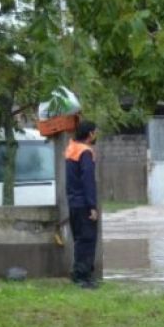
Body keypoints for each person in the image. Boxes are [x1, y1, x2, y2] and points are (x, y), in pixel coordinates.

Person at [66, 120, 100, 289]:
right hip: (84, 204)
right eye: (95, 132)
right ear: (90, 134)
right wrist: (92, 206)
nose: (96, 135)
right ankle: (83, 278)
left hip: (73, 202)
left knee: (79, 240)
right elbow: (88, 181)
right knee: (87, 240)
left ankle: (79, 274)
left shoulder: (71, 148)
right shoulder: (85, 152)